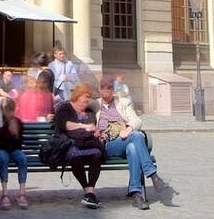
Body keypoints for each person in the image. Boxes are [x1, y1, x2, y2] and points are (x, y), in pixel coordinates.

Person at [97, 80, 169, 209]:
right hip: (109, 144)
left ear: (113, 91)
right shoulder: (94, 104)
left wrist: (128, 129)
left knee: (133, 148)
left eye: (108, 88)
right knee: (137, 136)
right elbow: (74, 105)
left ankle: (137, 195)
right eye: (103, 88)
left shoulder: (123, 103)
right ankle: (152, 174)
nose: (105, 91)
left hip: (126, 139)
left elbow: (136, 120)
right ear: (99, 90)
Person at [54, 83, 106, 209]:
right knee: (75, 156)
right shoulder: (65, 107)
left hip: (87, 143)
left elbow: (92, 128)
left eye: (89, 98)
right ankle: (88, 191)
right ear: (77, 96)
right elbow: (63, 125)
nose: (87, 101)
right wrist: (84, 126)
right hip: (70, 143)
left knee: (97, 154)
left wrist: (96, 131)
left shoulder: (89, 111)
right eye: (85, 97)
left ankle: (90, 192)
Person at [0, 97, 30, 210]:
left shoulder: (17, 122)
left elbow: (20, 143)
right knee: (2, 157)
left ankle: (22, 193)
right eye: (6, 110)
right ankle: (4, 194)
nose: (8, 113)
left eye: (10, 110)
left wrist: (15, 135)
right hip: (1, 150)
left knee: (22, 158)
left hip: (14, 150)